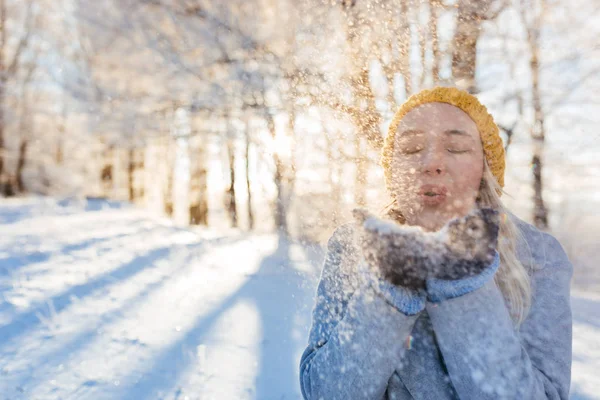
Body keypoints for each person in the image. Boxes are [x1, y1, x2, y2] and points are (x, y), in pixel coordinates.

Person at [298, 86, 573, 400]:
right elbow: (325, 394)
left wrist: (463, 277)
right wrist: (388, 291)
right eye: (412, 148)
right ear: (392, 170)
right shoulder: (352, 245)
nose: (431, 162)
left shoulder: (538, 255)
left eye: (455, 147)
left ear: (485, 169)